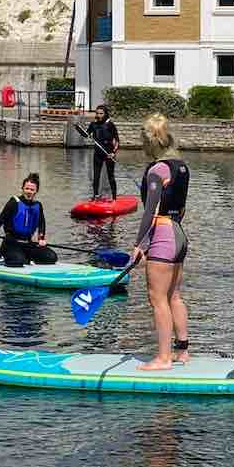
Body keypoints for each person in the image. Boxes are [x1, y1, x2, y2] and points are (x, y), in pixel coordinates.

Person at [128, 113, 191, 370]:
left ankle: (164, 358)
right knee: (174, 296)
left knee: (157, 299)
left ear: (149, 141)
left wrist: (138, 245)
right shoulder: (181, 166)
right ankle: (183, 352)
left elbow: (150, 211)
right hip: (178, 233)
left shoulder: (157, 169)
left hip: (163, 237)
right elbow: (182, 208)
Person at [0, 172, 57, 266]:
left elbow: (41, 223)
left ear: (36, 191)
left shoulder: (38, 205)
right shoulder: (14, 202)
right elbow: (0, 220)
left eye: (32, 189)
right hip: (11, 243)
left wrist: (41, 238)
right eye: (27, 188)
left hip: (28, 244)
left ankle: (27, 259)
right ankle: (14, 258)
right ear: (22, 189)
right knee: (18, 262)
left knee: (52, 257)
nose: (29, 191)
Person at [74, 103, 120, 199]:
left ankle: (114, 197)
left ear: (105, 114)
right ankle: (95, 196)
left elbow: (117, 140)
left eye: (101, 113)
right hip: (98, 154)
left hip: (109, 154)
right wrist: (78, 128)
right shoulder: (93, 125)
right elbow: (86, 135)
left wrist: (113, 153)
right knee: (96, 177)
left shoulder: (110, 125)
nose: (98, 115)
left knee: (110, 176)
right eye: (97, 113)